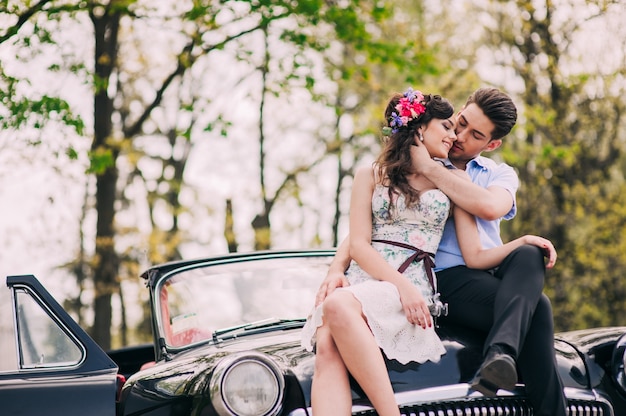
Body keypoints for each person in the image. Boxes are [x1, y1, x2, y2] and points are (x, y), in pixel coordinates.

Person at [302, 87, 559, 416]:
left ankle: (502, 358)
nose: (457, 136)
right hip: (404, 277)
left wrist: (521, 241)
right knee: (327, 344)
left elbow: (482, 228)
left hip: (456, 279)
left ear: (491, 144)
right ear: (421, 128)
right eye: (455, 124)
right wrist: (336, 269)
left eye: (472, 133)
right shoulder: (373, 174)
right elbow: (363, 234)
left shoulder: (468, 180)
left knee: (534, 283)